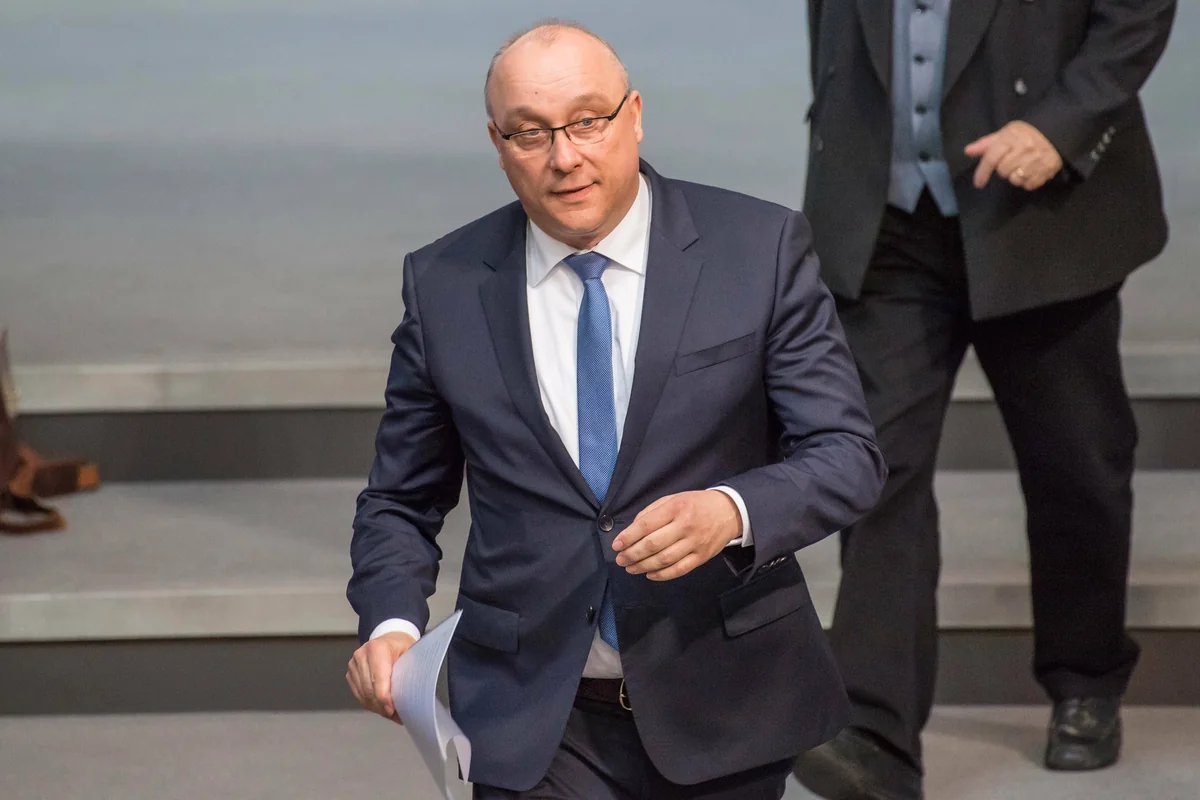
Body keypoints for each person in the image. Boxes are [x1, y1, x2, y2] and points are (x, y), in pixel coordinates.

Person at [344, 19, 886, 800]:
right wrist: (391, 625)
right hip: (531, 716)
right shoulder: (444, 285)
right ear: (497, 143)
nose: (564, 157)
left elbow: (847, 456)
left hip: (724, 701)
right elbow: (400, 498)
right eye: (530, 133)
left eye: (587, 121)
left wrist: (730, 511)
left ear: (634, 116)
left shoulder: (757, 248)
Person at [793, 2, 1176, 798]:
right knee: (877, 468)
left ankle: (1086, 678)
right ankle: (875, 734)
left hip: (1041, 210)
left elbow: (1138, 10)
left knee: (1077, 464)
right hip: (887, 221)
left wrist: (1062, 125)